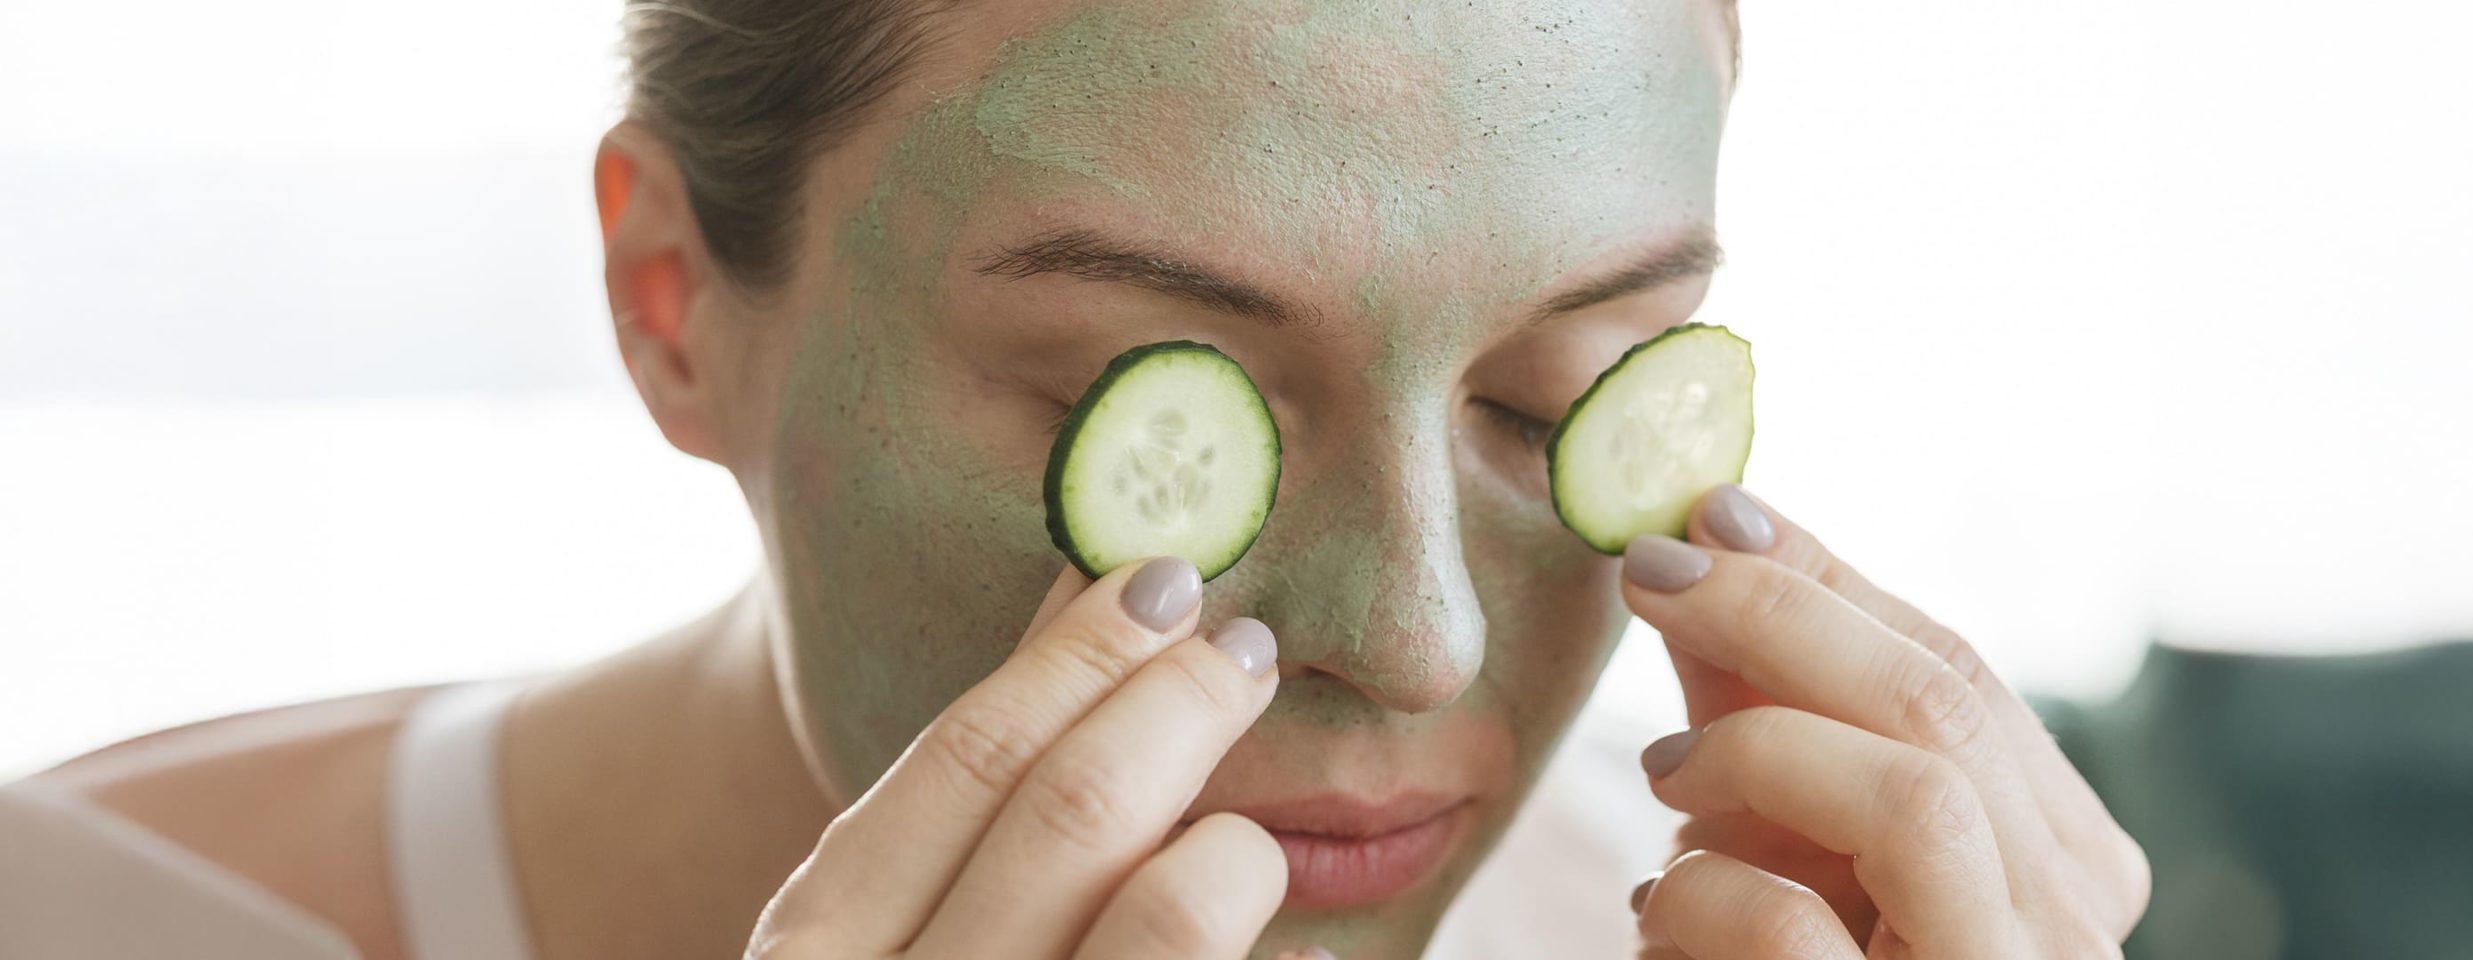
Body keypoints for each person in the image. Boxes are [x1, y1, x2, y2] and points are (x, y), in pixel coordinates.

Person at [0, 0, 2148, 956]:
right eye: (1156, 402)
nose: (1416, 634)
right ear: (670, 300)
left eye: (1557, 395)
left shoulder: (1736, 927)